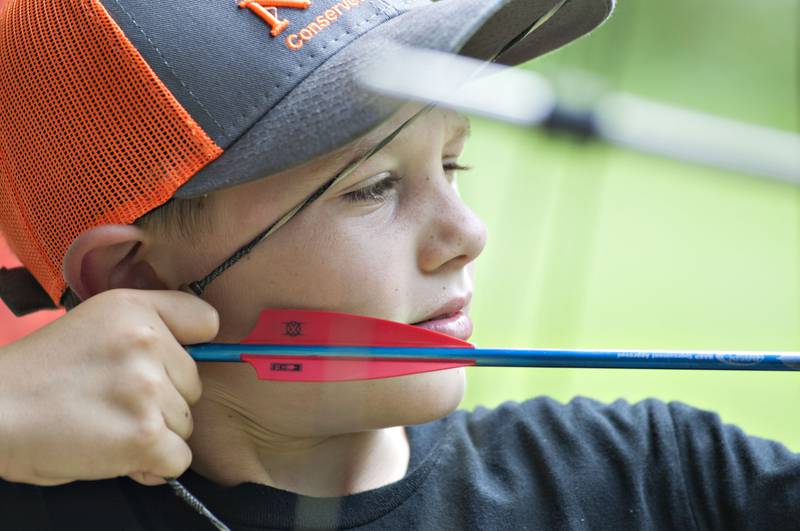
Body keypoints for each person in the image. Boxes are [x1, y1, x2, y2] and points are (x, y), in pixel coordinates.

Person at [0, 0, 797, 529]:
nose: (466, 232)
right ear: (133, 280)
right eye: (374, 186)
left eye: (454, 164)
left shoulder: (656, 482)